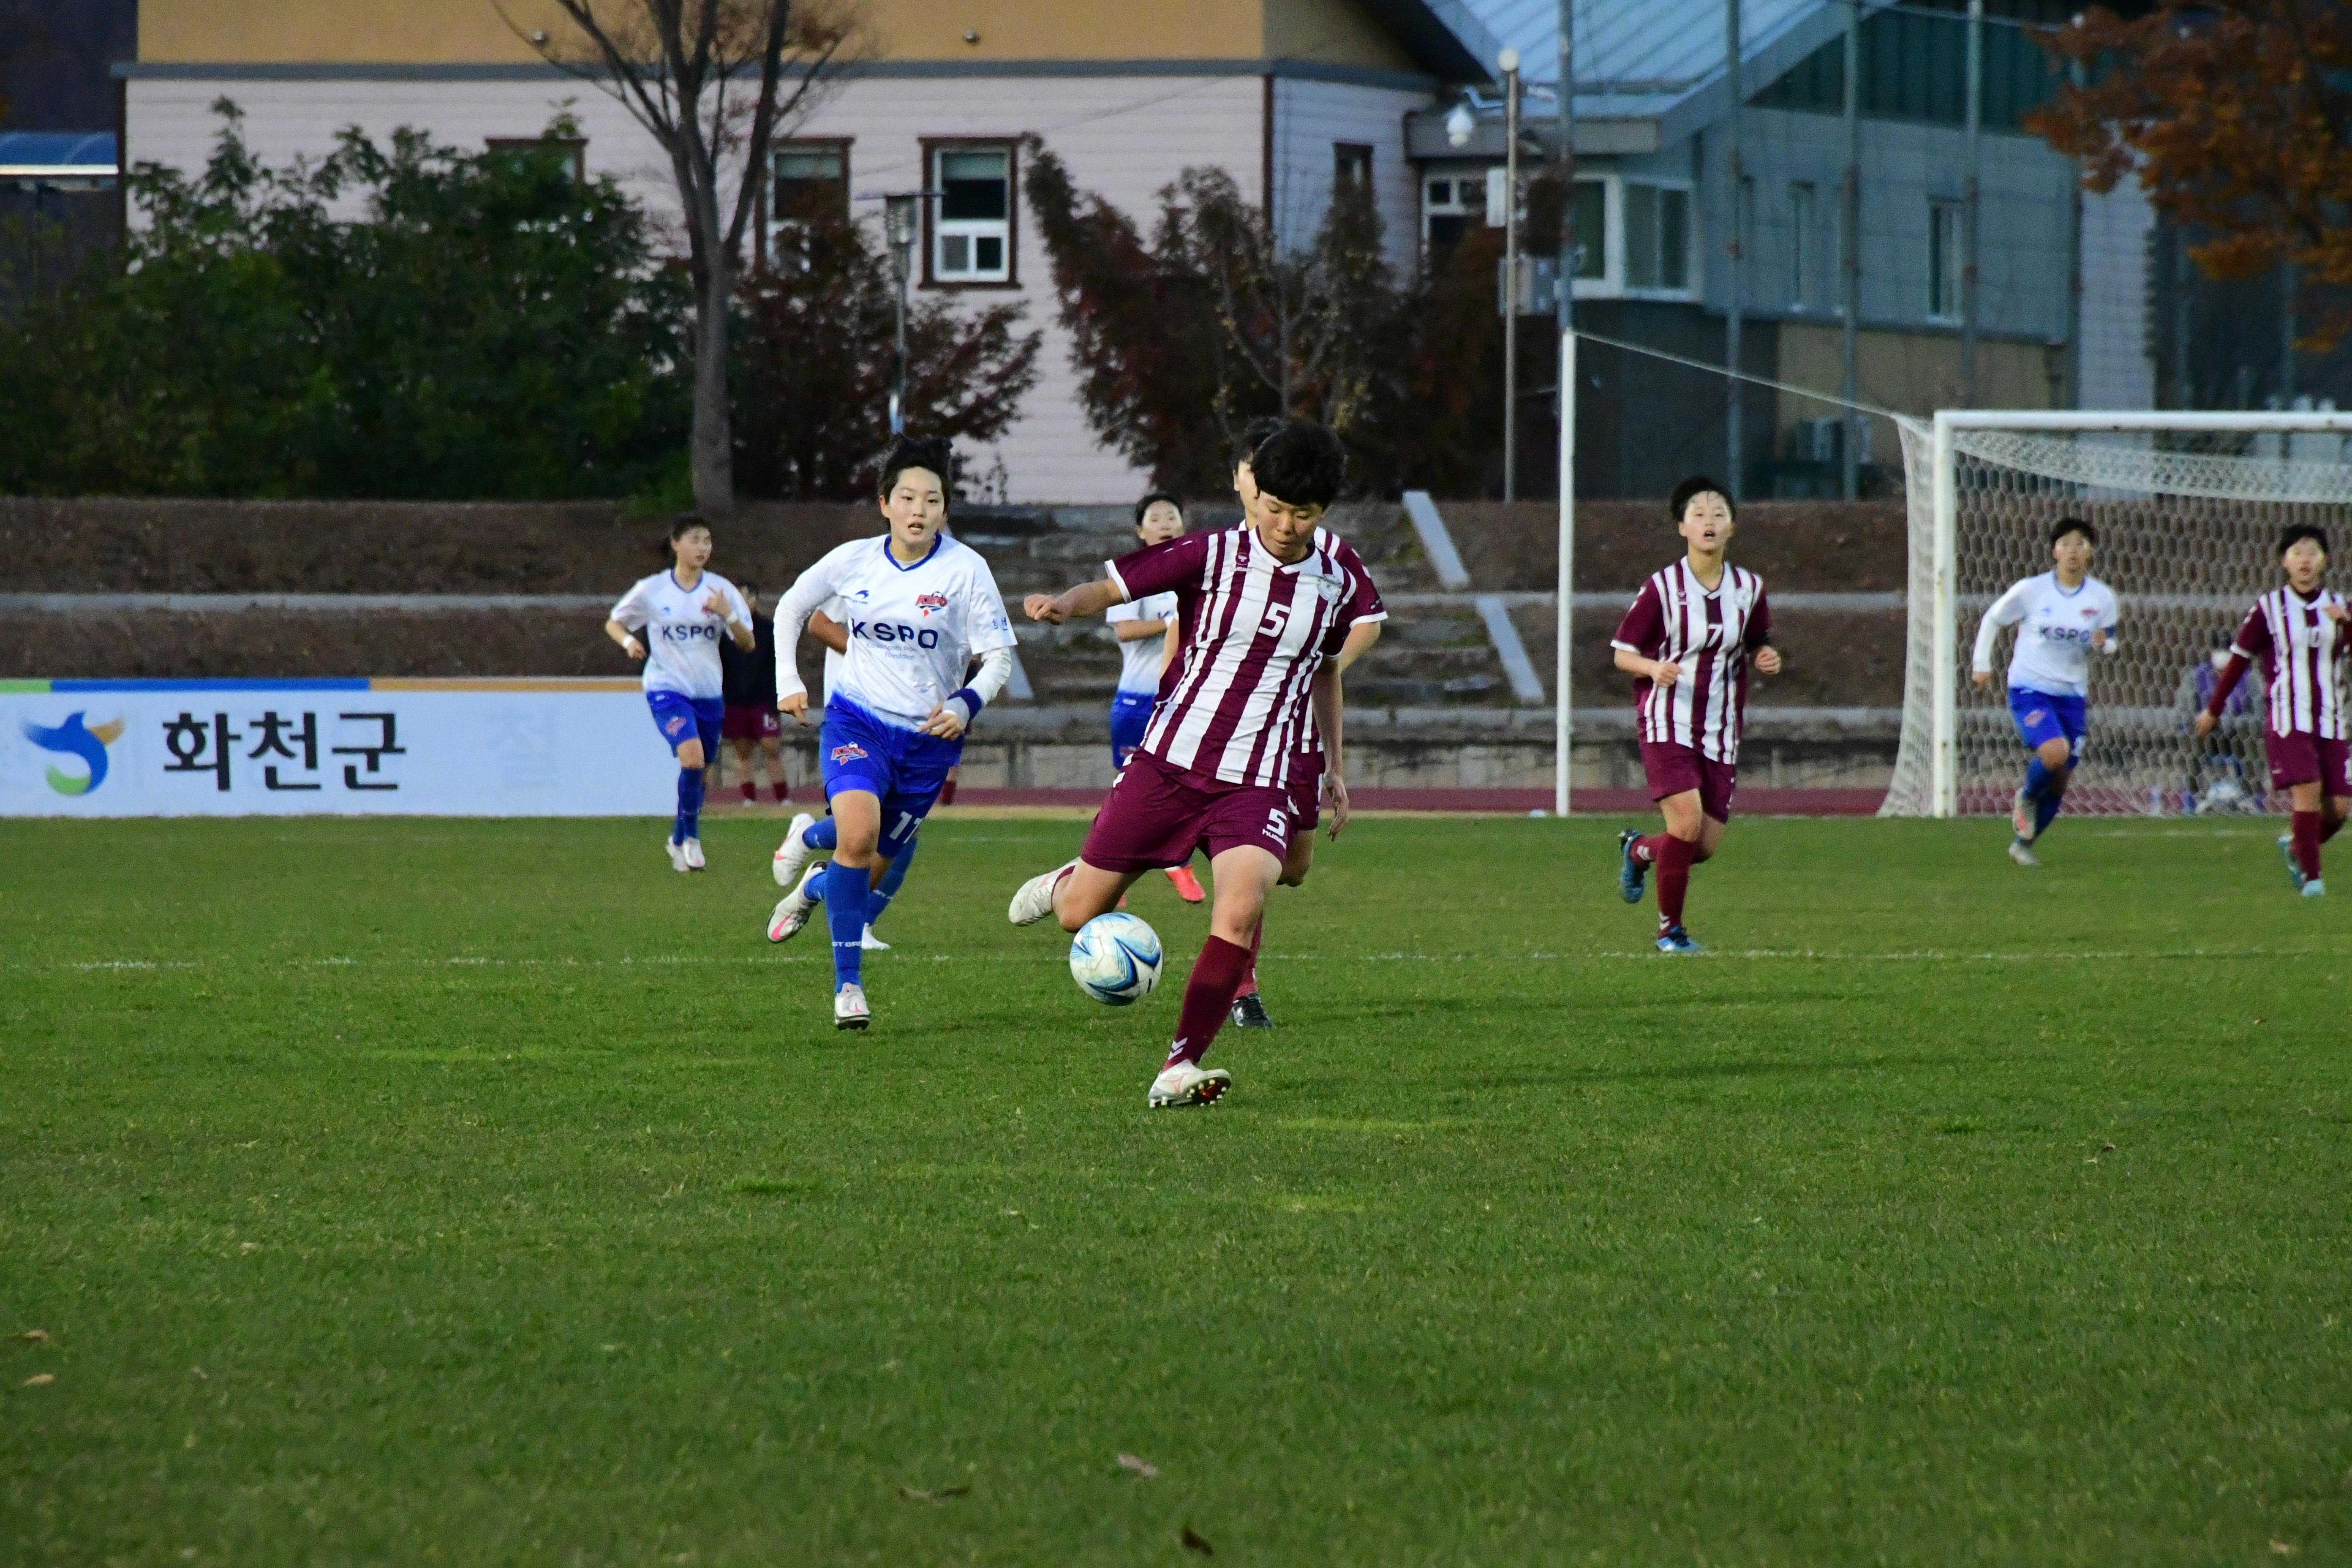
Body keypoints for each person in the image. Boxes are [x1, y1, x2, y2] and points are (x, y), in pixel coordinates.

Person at [1006, 419, 1380, 1108]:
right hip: (1170, 763)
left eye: (1303, 514)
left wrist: (1332, 765)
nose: (1285, 525)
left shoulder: (1336, 578)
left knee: (1239, 911)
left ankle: (1179, 1065)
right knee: (1079, 913)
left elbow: (1325, 672)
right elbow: (1112, 588)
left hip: (1259, 779)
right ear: (1253, 492)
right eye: (1273, 507)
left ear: (1323, 511)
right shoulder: (1209, 554)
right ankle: (1066, 881)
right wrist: (1062, 606)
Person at [762, 436, 1017, 1028]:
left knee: (872, 861)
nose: (919, 509)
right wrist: (787, 682)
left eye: (932, 499)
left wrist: (967, 701)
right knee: (859, 836)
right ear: (885, 504)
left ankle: (810, 873)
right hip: (858, 721)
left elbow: (999, 656)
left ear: (945, 511)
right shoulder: (855, 560)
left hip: (929, 743)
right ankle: (848, 989)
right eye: (907, 497)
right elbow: (792, 607)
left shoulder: (966, 571)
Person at [1222, 425, 1386, 1028]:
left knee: (1291, 868)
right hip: (1225, 741)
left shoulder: (1332, 559)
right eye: (1245, 471)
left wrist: (1324, 662)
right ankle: (1242, 987)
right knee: (1248, 863)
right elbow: (1178, 635)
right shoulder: (1217, 555)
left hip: (1295, 738)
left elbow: (1365, 623)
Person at [1611, 476, 1782, 954]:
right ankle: (1671, 932)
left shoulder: (1749, 589)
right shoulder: (1662, 588)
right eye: (1699, 514)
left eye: (1718, 514)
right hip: (1667, 721)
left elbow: (1758, 641)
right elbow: (1623, 652)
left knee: (1701, 846)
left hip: (1720, 729)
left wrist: (1767, 656)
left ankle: (1639, 849)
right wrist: (1652, 667)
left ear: (1733, 527)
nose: (1709, 521)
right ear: (1682, 527)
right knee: (1685, 825)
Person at [2194, 523, 2351, 896]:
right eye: (2297, 553)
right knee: (2309, 791)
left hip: (2331, 718)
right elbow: (2238, 661)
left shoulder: (2339, 607)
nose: (2305, 560)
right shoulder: (2269, 608)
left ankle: (2297, 844)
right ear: (2284, 561)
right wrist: (2213, 709)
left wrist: (2347, 624)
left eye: (2312, 552)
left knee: (2340, 809)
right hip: (2287, 718)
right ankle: (2313, 883)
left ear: (2325, 559)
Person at [605, 514, 756, 872]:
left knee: (700, 770)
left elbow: (748, 643)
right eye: (695, 540)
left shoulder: (721, 591)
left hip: (708, 693)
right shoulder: (653, 590)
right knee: (692, 758)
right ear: (675, 544)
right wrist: (628, 641)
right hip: (666, 688)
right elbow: (614, 621)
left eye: (707, 541)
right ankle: (691, 838)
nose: (703, 547)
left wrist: (728, 615)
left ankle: (675, 839)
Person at [1969, 518, 2120, 866]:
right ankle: (2026, 795)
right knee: (2054, 753)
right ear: (2055, 551)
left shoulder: (2102, 598)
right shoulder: (2032, 590)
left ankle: (2024, 843)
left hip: (2072, 696)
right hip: (2030, 688)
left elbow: (2109, 642)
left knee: (2062, 779)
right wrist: (1982, 664)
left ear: (2090, 553)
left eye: (2080, 544)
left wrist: (2104, 645)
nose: (2073, 551)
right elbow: (1993, 619)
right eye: (2066, 544)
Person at [768, 604, 916, 952]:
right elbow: (819, 623)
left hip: (905, 720)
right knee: (867, 828)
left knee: (904, 830)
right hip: (856, 719)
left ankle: (821, 878)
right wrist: (877, 663)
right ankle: (839, 904)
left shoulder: (930, 578)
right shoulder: (859, 567)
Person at [1106, 490, 1207, 906]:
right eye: (1156, 516)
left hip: (1184, 701)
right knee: (1128, 789)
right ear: (1140, 529)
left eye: (1172, 515)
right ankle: (1107, 872)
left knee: (1185, 784)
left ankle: (1176, 859)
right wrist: (1170, 623)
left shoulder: (1199, 572)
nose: (1165, 522)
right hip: (1137, 700)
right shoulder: (1136, 577)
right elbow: (1124, 630)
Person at [718, 582, 789, 806]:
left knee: (771, 748)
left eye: (747, 598)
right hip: (735, 699)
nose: (743, 603)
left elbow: (777, 665)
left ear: (755, 600)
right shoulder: (724, 634)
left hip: (763, 699)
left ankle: (783, 798)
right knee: (743, 752)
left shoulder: (768, 630)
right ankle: (749, 798)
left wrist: (777, 699)